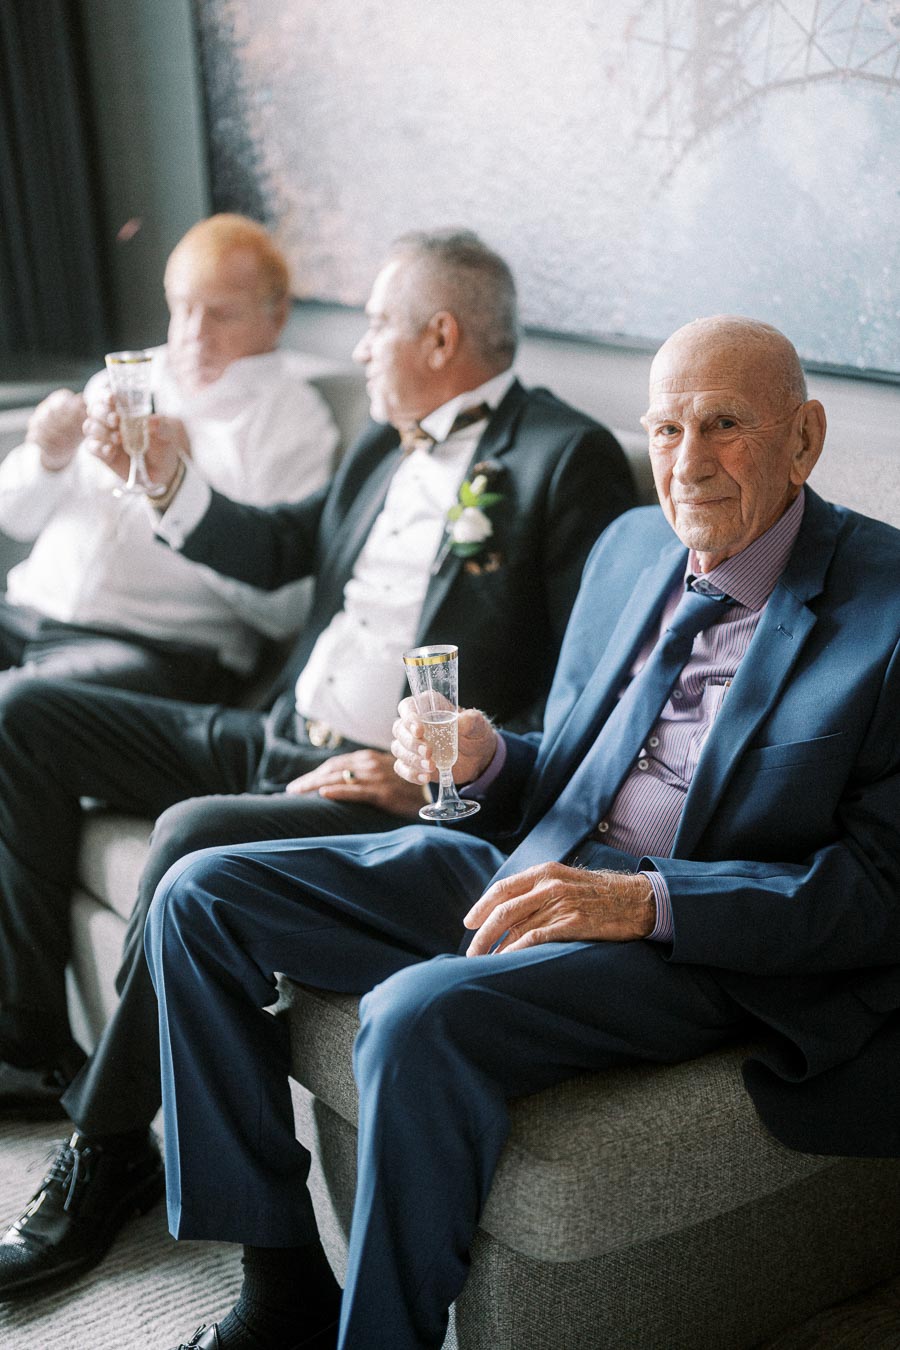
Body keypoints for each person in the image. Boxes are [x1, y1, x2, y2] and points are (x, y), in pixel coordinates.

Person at [140, 315, 899, 1350]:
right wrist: (490, 760)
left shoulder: (886, 611)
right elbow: (588, 765)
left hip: (692, 936)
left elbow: (877, 891)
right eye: (666, 430)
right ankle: (280, 1285)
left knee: (415, 1014)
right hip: (537, 861)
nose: (686, 464)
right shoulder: (634, 544)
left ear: (804, 439)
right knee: (201, 894)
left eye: (724, 426)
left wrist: (643, 902)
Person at [0, 229, 635, 1297]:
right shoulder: (385, 443)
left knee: (189, 839)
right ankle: (23, 1042)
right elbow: (283, 546)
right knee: (24, 713)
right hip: (271, 730)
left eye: (379, 324)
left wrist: (432, 773)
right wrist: (168, 482)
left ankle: (104, 1153)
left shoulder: (562, 458)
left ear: (441, 335)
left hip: (384, 784)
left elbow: (591, 691)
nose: (363, 349)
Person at [0, 213, 338, 700]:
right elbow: (14, 520)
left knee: (18, 702)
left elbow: (282, 610)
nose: (194, 334)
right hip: (29, 609)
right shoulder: (126, 378)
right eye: (183, 309)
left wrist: (185, 480)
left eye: (221, 314)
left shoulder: (293, 423)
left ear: (277, 316)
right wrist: (46, 458)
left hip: (155, 649)